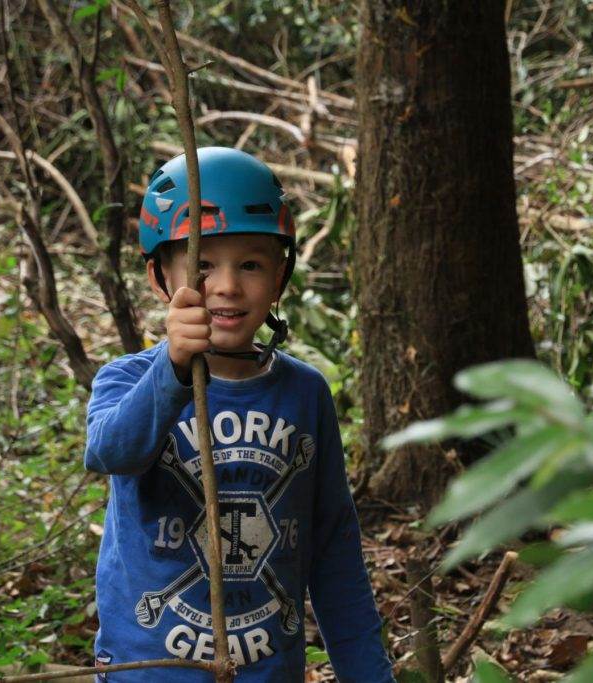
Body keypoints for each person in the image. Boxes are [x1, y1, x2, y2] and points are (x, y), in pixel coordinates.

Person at [84, 147, 394, 681]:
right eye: (202, 265)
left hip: (265, 670)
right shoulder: (128, 378)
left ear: (279, 278)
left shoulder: (305, 392)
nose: (227, 286)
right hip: (152, 668)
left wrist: (368, 673)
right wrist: (174, 367)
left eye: (250, 264)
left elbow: (333, 547)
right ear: (161, 277)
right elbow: (113, 452)